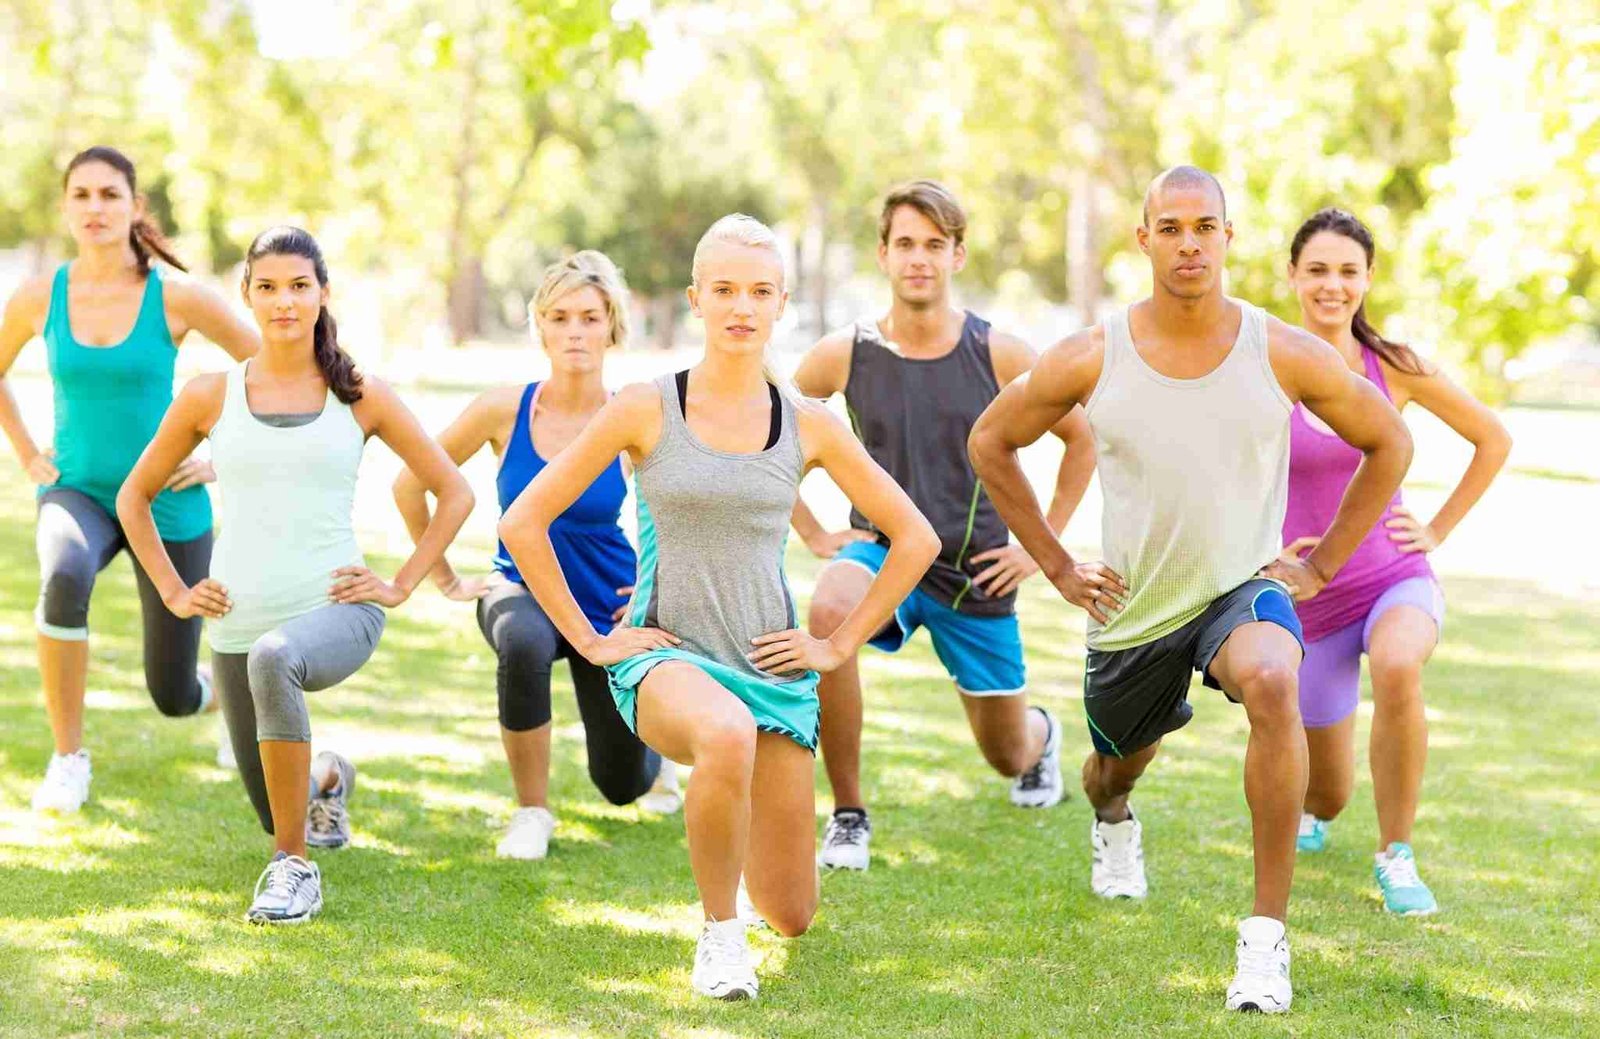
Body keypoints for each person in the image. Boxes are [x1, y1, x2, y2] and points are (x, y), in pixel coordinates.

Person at [969, 167, 1413, 1013]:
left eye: (1204, 226)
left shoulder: (1279, 349)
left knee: (1275, 678)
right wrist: (1058, 564)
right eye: (1169, 227)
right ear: (1143, 240)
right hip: (1132, 611)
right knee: (1110, 773)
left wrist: (1318, 569)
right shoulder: (1093, 353)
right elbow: (991, 441)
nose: (1188, 243)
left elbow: (1388, 441)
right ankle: (1112, 822)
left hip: (1239, 589)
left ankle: (1264, 941)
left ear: (1228, 237)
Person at [501, 215, 938, 1000]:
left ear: (781, 304)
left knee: (795, 912)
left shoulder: (808, 422)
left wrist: (834, 650)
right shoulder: (645, 406)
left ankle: (749, 903)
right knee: (723, 732)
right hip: (666, 657)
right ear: (697, 299)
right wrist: (595, 640)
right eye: (726, 290)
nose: (742, 306)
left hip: (770, 665)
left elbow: (916, 538)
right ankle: (719, 935)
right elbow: (521, 521)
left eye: (760, 291)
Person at [117, 226, 472, 924]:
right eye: (268, 286)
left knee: (277, 662)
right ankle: (328, 777)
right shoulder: (210, 395)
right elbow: (134, 496)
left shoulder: (360, 393)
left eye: (299, 285)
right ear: (247, 296)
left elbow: (453, 490)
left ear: (323, 294)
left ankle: (294, 868)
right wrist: (174, 590)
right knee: (274, 799)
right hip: (235, 625)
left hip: (335, 610)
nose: (285, 300)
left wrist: (400, 584)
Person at [790, 180, 1096, 871]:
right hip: (881, 552)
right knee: (828, 609)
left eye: (934, 244)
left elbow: (1083, 438)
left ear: (958, 255)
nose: (918, 258)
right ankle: (847, 812)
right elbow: (769, 432)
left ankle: (1040, 738)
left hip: (975, 570)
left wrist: (1037, 548)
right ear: (883, 254)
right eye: (905, 244)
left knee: (1004, 752)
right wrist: (811, 531)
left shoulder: (1002, 354)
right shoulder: (845, 353)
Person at [393, 250, 680, 862]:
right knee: (521, 643)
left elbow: (684, 506)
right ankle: (531, 811)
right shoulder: (505, 409)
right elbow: (410, 482)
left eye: (589, 317)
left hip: (607, 602)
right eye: (560, 317)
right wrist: (441, 575)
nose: (575, 331)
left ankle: (655, 767)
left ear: (612, 326)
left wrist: (658, 588)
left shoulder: (632, 412)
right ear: (541, 326)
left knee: (621, 787)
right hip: (517, 588)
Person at [0, 146, 261, 813]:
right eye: (81, 194)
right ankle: (67, 758)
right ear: (65, 207)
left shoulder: (176, 297)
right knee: (63, 575)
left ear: (134, 207)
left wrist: (221, 454)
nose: (95, 207)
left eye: (109, 194)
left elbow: (270, 371)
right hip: (79, 489)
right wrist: (30, 454)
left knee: (172, 695)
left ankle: (221, 695)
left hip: (166, 501)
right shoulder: (39, 296)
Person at [1281, 208, 1510, 914]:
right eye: (1317, 269)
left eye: (1348, 271)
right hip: (1308, 603)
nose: (1332, 285)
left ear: (1368, 279)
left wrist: (1435, 528)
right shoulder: (1266, 365)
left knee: (1399, 663)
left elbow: (1491, 438)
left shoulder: (1395, 366)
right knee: (1327, 790)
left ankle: (1397, 853)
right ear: (1292, 276)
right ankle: (1317, 811)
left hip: (1391, 576)